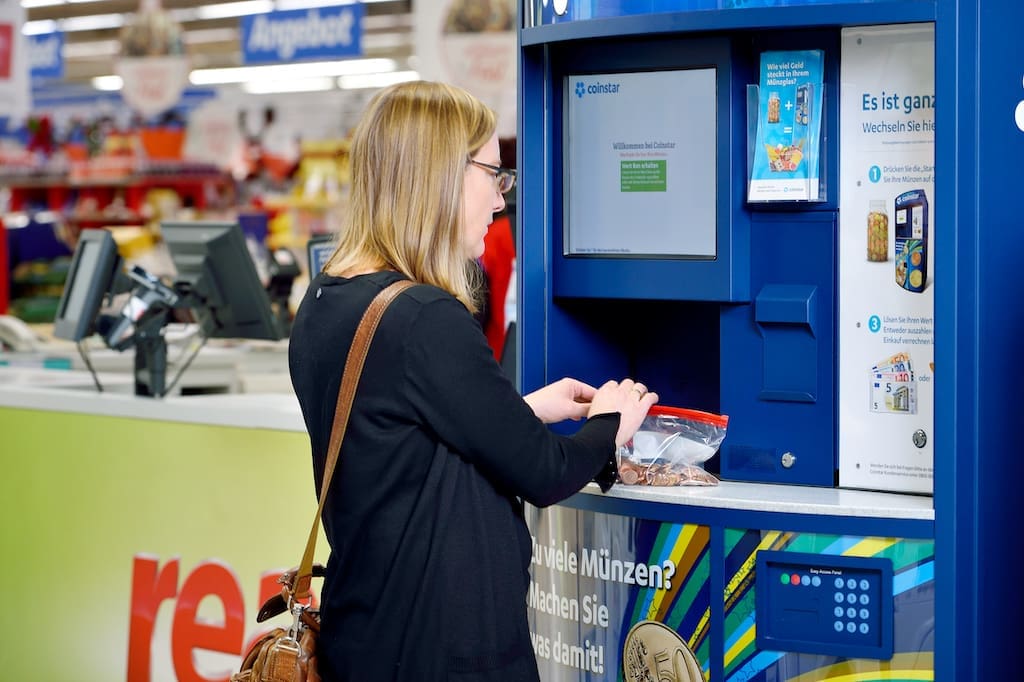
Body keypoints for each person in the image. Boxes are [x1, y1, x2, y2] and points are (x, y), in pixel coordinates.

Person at [287, 80, 658, 681]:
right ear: (440, 175)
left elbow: (397, 434)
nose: (499, 201)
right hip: (447, 648)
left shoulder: (326, 300)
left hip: (367, 635)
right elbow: (544, 472)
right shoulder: (425, 317)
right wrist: (610, 420)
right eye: (493, 175)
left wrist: (519, 410)